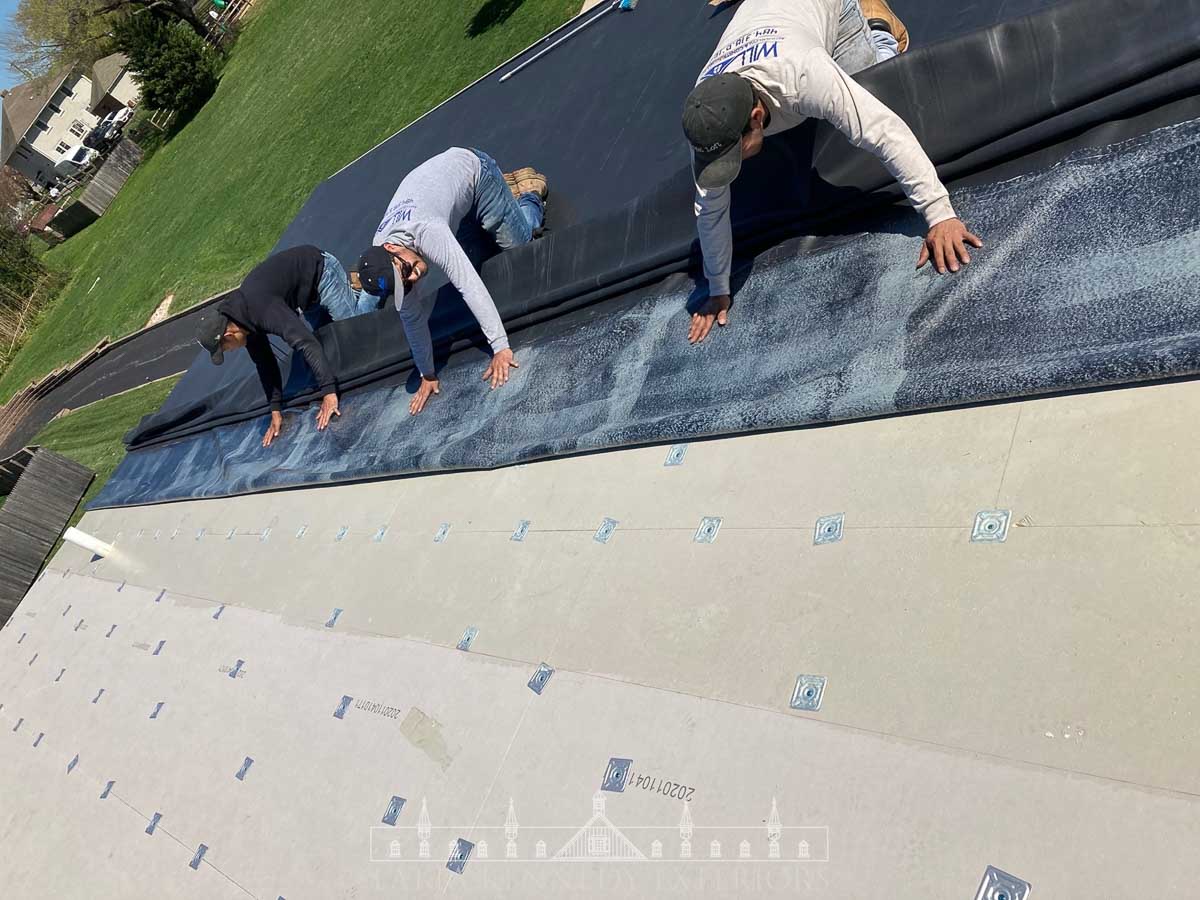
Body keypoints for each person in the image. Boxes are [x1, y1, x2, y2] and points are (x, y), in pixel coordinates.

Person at [681, 0, 983, 343]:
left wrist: (940, 215)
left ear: (754, 118)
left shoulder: (804, 74)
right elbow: (710, 209)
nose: (730, 164)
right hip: (771, 17)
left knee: (877, 83)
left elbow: (883, 131)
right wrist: (718, 288)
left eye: (735, 153)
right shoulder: (706, 119)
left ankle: (878, 26)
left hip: (824, 8)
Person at [356, 147, 547, 415]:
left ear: (392, 248)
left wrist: (501, 347)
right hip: (446, 197)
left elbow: (468, 284)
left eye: (407, 271)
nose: (413, 277)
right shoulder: (386, 259)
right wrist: (427, 374)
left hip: (475, 173)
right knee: (481, 255)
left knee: (520, 248)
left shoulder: (427, 230)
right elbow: (412, 319)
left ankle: (528, 196)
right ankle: (499, 205)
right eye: (404, 284)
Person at [194, 244, 381, 447]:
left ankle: (374, 279)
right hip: (305, 296)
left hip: (321, 271)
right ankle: (352, 292)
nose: (230, 351)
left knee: (355, 332)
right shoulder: (243, 321)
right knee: (331, 344)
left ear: (228, 335)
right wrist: (275, 409)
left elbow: (305, 342)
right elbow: (265, 364)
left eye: (225, 349)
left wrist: (328, 392)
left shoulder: (261, 310)